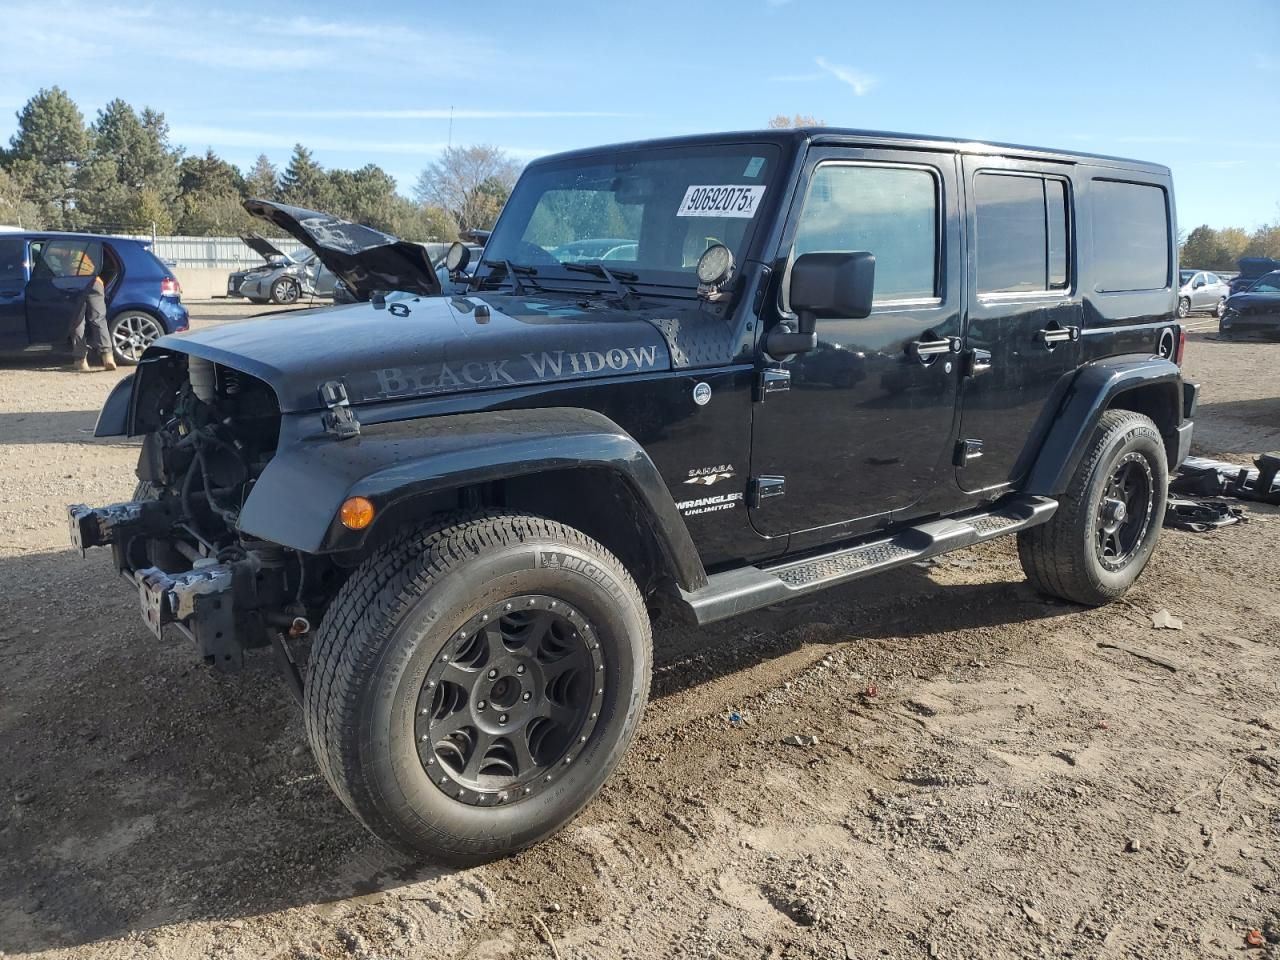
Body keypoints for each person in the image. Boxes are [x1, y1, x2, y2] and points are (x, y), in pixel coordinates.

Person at [68, 251, 114, 372]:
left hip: (76, 281)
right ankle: (108, 357)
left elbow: (56, 255)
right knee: (98, 318)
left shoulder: (68, 247)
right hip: (95, 281)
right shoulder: (88, 249)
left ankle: (80, 360)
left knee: (77, 321)